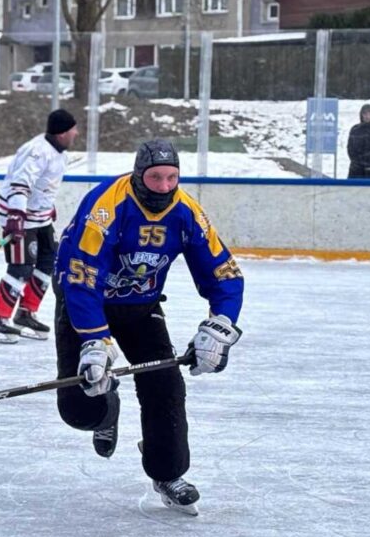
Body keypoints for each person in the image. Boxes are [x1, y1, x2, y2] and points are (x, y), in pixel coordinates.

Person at [53, 138, 244, 515]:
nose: (164, 186)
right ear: (139, 175)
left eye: (172, 177)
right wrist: (94, 340)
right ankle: (105, 410)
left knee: (166, 387)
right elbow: (81, 276)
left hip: (141, 307)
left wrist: (221, 323)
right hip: (84, 302)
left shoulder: (187, 211)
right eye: (156, 177)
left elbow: (222, 270)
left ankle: (168, 471)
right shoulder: (106, 207)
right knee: (79, 408)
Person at [0, 109, 78, 344]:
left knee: (49, 261)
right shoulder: (36, 151)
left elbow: (45, 185)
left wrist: (49, 206)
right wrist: (16, 215)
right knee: (21, 267)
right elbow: (20, 184)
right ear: (62, 133)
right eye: (72, 129)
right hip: (20, 216)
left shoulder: (60, 154)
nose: (76, 133)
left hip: (40, 217)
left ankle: (26, 312)